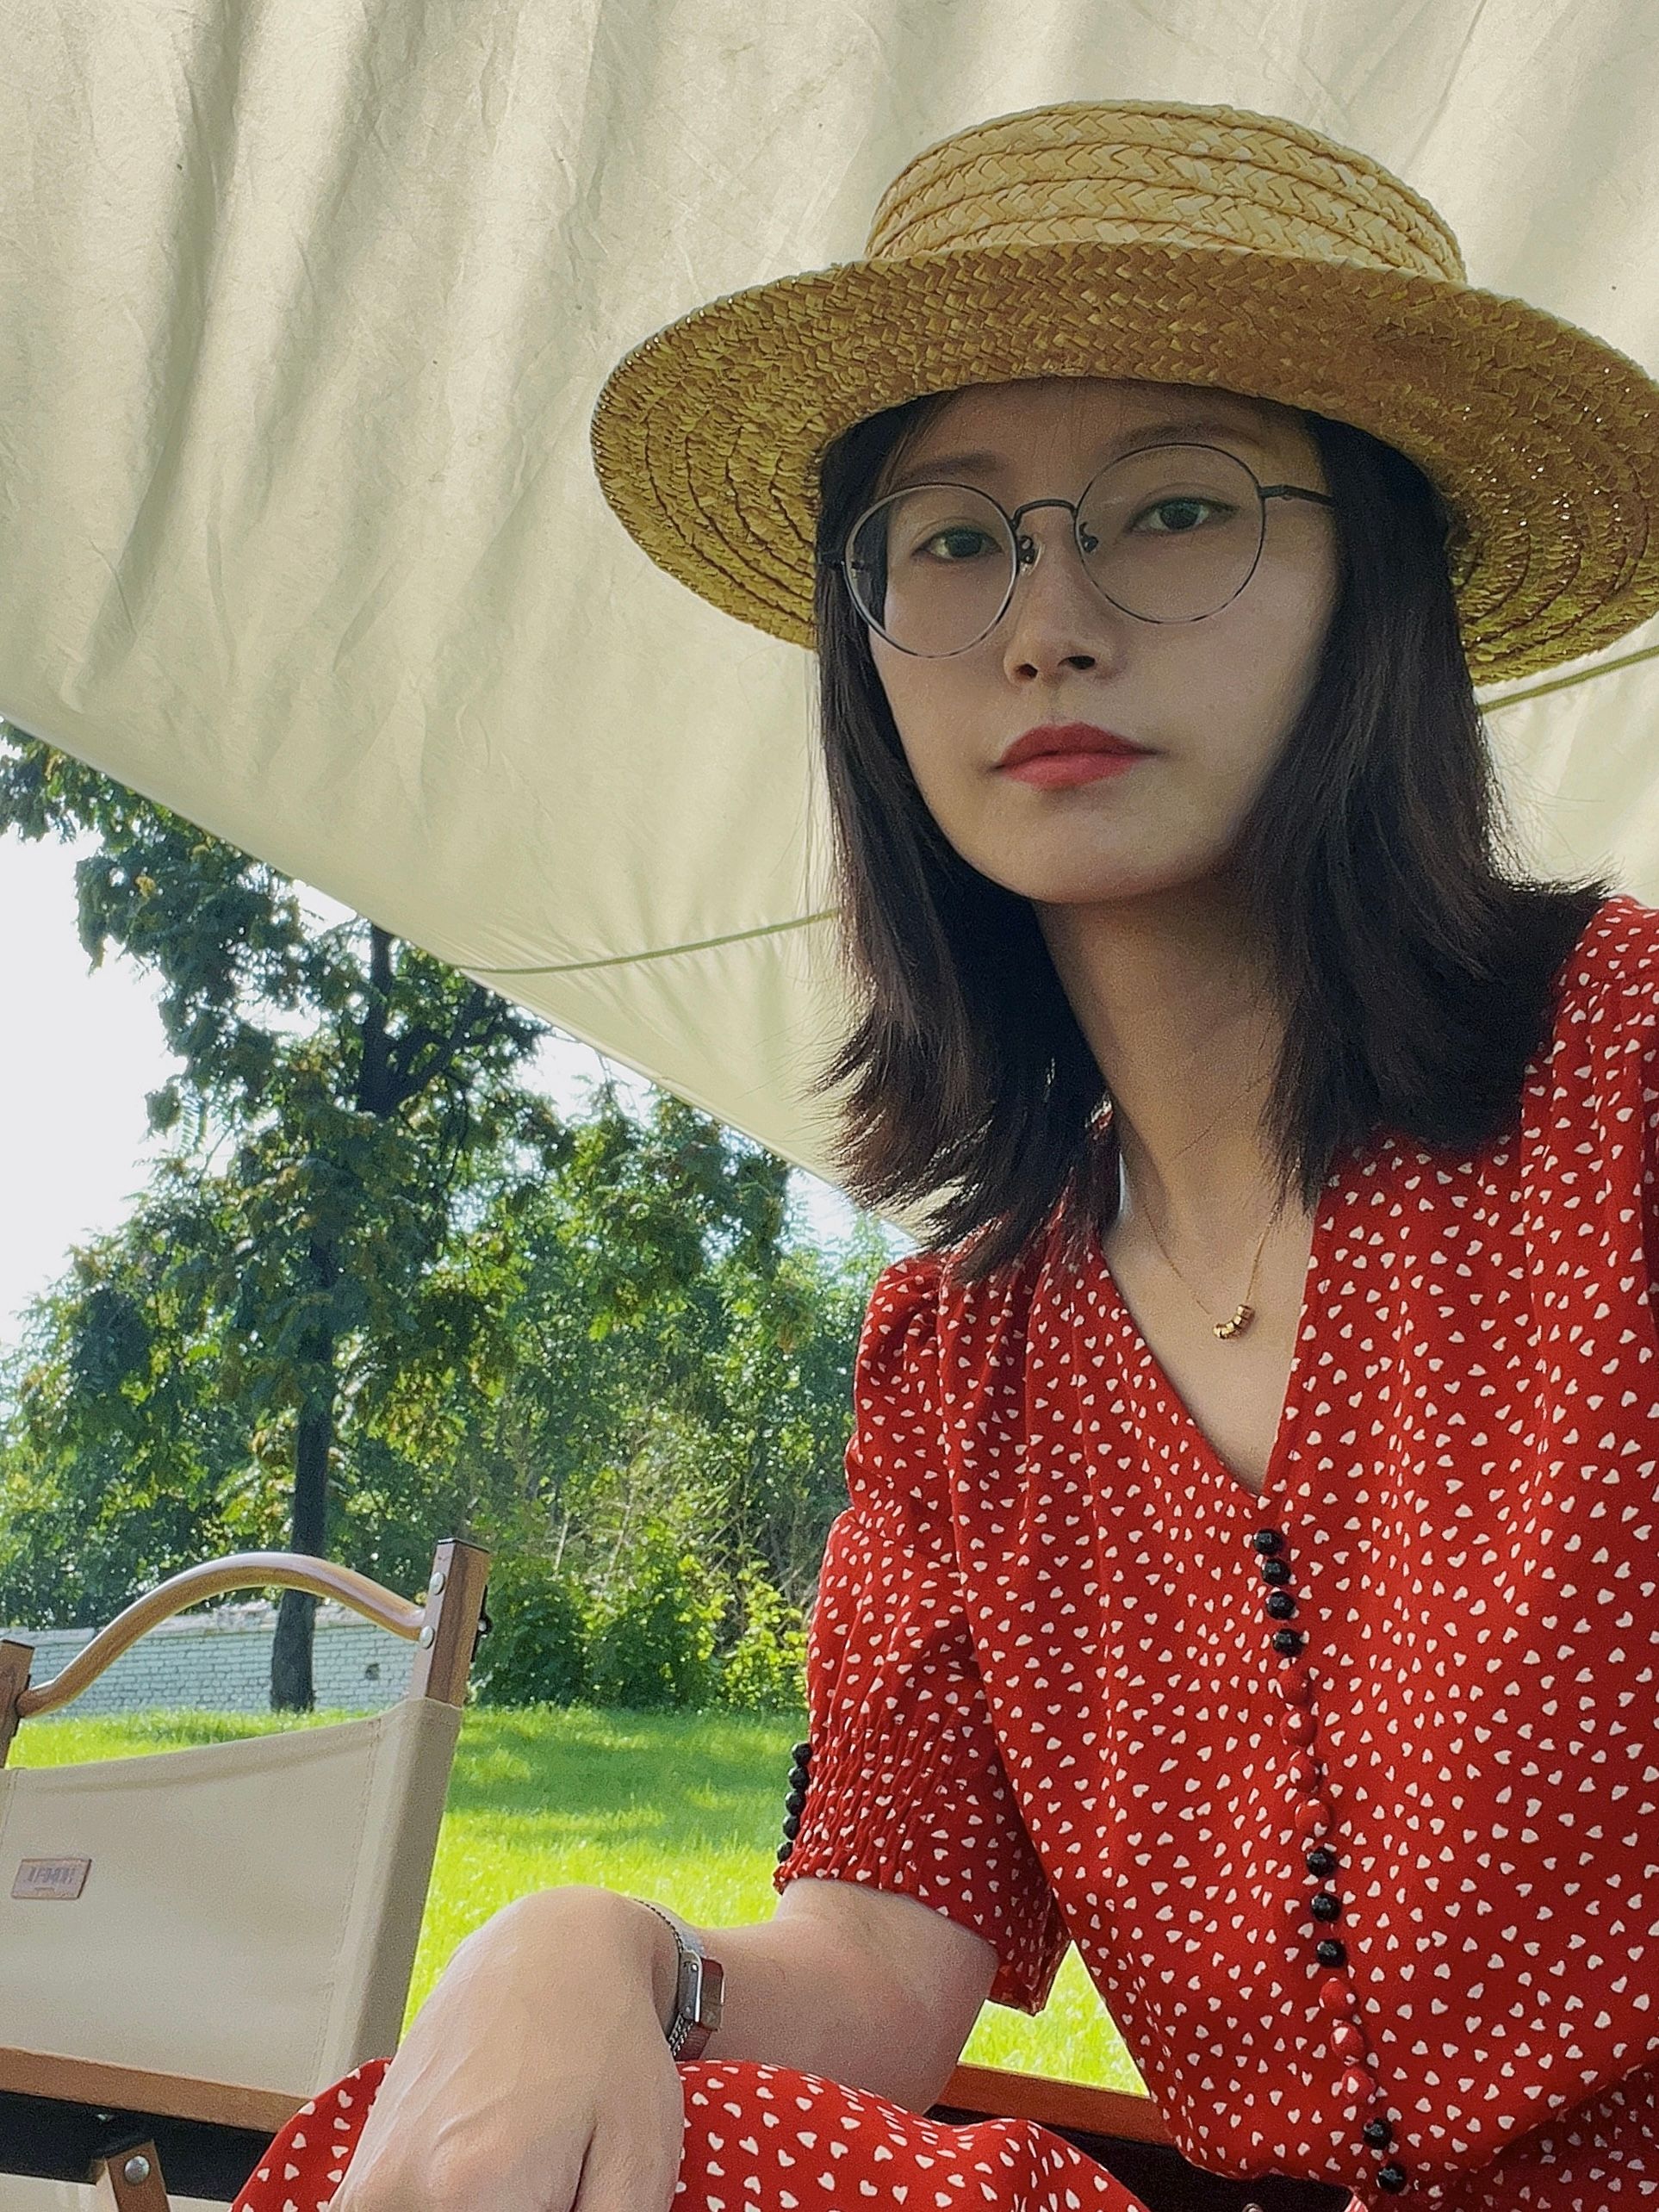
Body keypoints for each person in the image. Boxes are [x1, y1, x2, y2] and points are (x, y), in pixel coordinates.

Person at [233, 96, 1659, 2212]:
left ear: (1378, 584)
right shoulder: (966, 1358)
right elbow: (883, 1965)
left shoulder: (1625, 1084)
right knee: (514, 2141)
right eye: (958, 539)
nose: (1047, 621)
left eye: (1177, 512)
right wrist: (586, 1952)